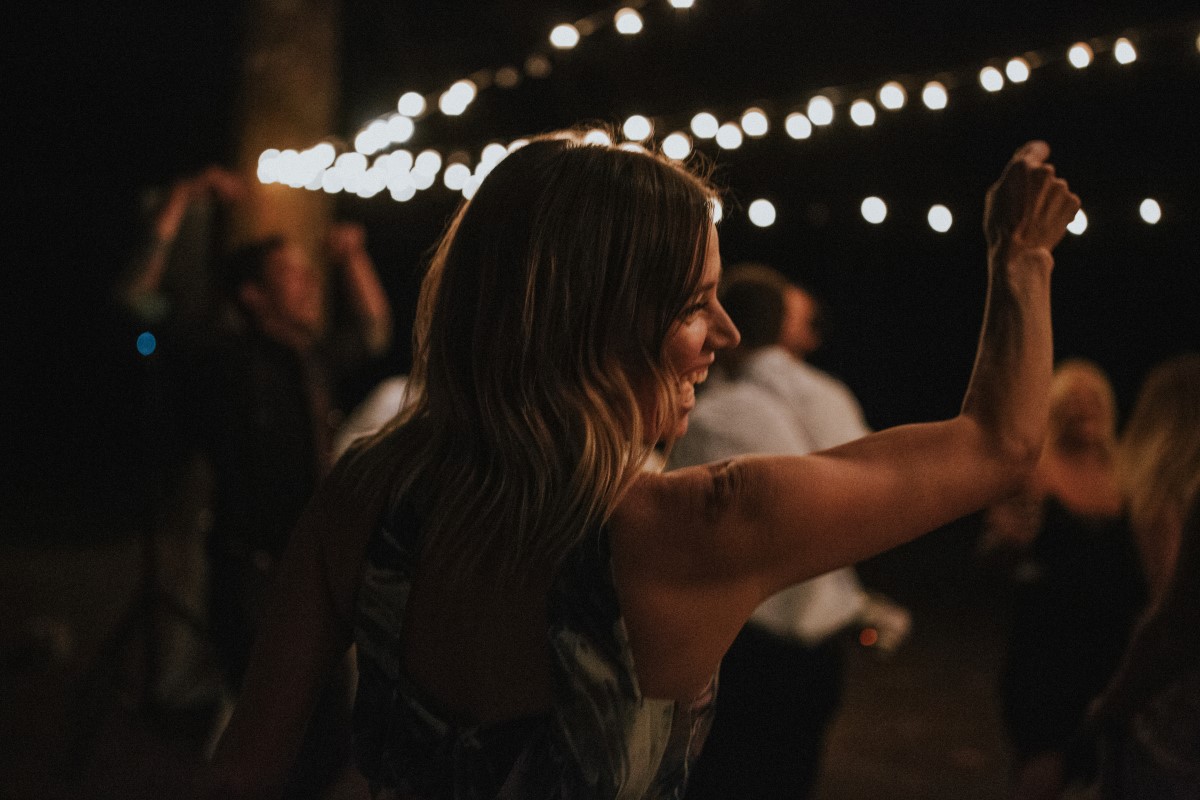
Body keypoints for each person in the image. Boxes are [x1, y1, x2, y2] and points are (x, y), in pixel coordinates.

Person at [203, 130, 1079, 799]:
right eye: (696, 303)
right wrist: (1022, 256)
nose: (726, 333)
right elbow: (999, 446)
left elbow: (244, 771)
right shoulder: (695, 533)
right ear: (601, 319)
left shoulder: (364, 494)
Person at [671, 263, 910, 800]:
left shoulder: (712, 415)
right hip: (819, 641)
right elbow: (874, 503)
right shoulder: (829, 395)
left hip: (745, 643)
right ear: (781, 325)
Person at [188, 223, 392, 794]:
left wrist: (352, 257)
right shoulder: (227, 366)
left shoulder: (310, 358)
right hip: (252, 575)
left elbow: (374, 331)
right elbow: (145, 308)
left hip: (304, 573)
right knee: (277, 742)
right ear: (253, 296)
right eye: (291, 274)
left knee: (325, 743)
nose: (309, 282)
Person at [981, 360, 1147, 800]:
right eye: (1072, 401)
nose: (1083, 409)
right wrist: (1007, 543)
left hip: (1113, 649)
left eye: (1093, 400)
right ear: (1053, 410)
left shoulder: (1129, 475)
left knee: (1104, 769)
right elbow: (996, 556)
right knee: (1044, 767)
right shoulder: (1034, 472)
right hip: (1048, 650)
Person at [1084, 352, 1200, 799]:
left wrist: (1117, 700)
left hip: (1167, 697)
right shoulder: (1174, 493)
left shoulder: (1160, 493)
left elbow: (1168, 609)